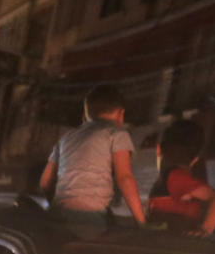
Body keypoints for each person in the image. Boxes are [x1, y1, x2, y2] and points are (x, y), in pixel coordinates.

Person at [39, 84, 146, 226]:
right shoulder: (116, 134)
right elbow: (125, 178)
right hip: (89, 220)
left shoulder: (66, 138)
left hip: (57, 217)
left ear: (84, 117)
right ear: (121, 114)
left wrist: (59, 205)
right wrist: (142, 222)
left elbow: (45, 183)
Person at [146, 119, 215, 236]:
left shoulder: (175, 177)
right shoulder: (173, 179)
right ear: (196, 159)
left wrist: (205, 231)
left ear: (159, 149)